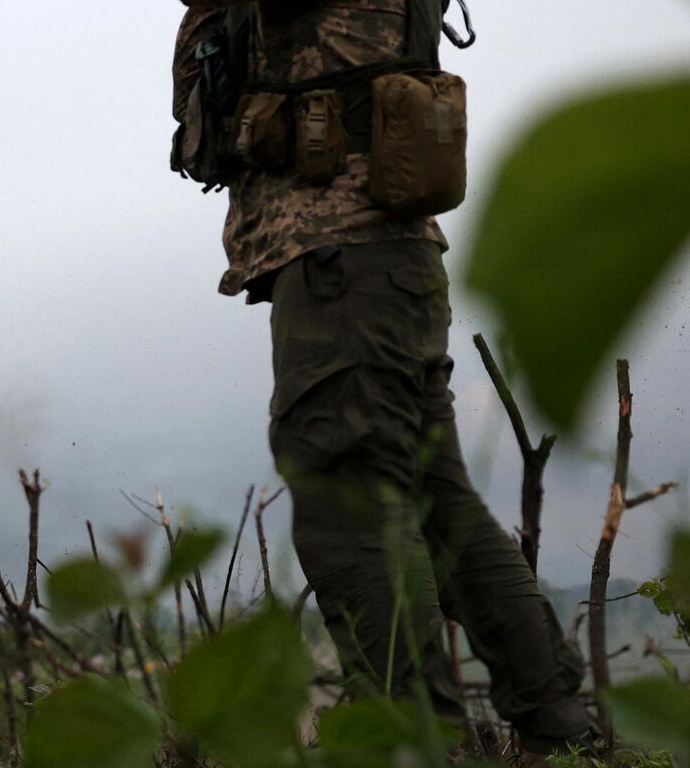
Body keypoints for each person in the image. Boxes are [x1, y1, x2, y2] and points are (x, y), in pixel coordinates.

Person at [171, 0, 598, 754]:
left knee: (349, 503)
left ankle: (416, 741)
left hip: (345, 261)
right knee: (435, 502)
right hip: (379, 262)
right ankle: (557, 726)